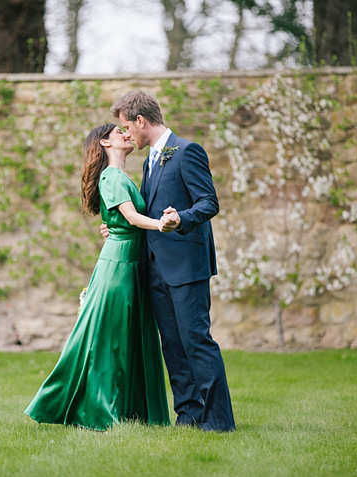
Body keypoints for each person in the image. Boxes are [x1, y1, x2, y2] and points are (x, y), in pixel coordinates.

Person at [25, 123, 171, 431]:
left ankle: (132, 411)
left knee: (127, 339)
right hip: (118, 268)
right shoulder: (112, 176)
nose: (127, 134)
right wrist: (163, 224)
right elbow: (131, 217)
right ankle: (94, 410)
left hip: (128, 262)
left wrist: (114, 227)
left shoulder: (120, 176)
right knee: (108, 339)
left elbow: (120, 220)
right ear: (104, 142)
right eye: (119, 131)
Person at [105, 90, 236, 432]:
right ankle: (188, 416)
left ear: (140, 121)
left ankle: (218, 421)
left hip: (186, 266)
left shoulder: (187, 151)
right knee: (173, 347)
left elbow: (208, 203)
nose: (126, 134)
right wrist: (116, 228)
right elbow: (146, 215)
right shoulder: (149, 161)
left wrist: (181, 218)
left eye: (126, 126)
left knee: (196, 341)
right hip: (155, 270)